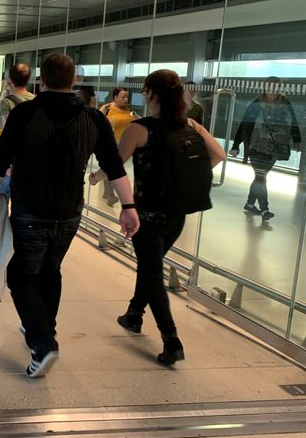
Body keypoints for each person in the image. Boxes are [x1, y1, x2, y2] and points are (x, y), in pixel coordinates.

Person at [0, 54, 140, 378]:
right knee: (50, 271)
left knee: (21, 276)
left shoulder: (26, 113)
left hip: (30, 213)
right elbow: (114, 166)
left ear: (42, 80)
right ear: (74, 81)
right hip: (69, 215)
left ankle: (43, 344)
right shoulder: (94, 119)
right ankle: (39, 330)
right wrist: (128, 207)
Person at [90, 70, 225, 366]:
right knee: (150, 268)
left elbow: (117, 164)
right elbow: (218, 155)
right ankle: (134, 315)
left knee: (151, 273)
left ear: (151, 93)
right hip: (177, 214)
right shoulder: (191, 125)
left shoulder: (140, 129)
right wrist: (186, 175)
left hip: (146, 216)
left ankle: (171, 339)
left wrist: (96, 177)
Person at [229, 77, 301, 221]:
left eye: (276, 87)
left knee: (260, 177)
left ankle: (250, 204)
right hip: (256, 147)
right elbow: (245, 125)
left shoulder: (285, 103)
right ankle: (264, 209)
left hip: (275, 148)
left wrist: (297, 139)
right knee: (261, 177)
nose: (272, 90)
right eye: (270, 86)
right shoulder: (256, 103)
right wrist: (236, 145)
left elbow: (293, 121)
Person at [100, 87, 138, 205]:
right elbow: (98, 123)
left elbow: (136, 121)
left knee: (111, 168)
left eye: (127, 97)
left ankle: (107, 191)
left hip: (124, 146)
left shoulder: (129, 109)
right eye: (123, 97)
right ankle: (111, 194)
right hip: (110, 144)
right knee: (113, 168)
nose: (126, 99)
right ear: (115, 97)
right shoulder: (107, 109)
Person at [0, 63, 35, 128]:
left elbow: (6, 129)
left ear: (10, 80)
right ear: (27, 80)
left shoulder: (6, 102)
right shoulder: (35, 99)